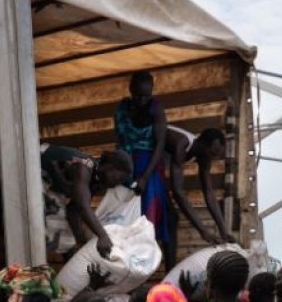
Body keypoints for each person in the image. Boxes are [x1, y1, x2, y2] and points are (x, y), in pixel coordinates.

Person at [114, 71, 174, 269]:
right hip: (126, 166)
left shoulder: (156, 108)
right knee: (126, 221)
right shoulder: (122, 108)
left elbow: (160, 144)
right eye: (138, 95)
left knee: (150, 220)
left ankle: (155, 268)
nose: (142, 100)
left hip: (149, 167)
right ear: (130, 90)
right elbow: (119, 140)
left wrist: (145, 177)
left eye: (146, 95)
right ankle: (127, 268)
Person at [41, 144, 133, 257]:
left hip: (50, 187)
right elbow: (83, 206)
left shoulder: (98, 181)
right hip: (33, 168)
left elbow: (73, 208)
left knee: (68, 239)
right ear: (109, 166)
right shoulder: (84, 167)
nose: (115, 184)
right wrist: (103, 236)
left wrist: (81, 241)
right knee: (45, 221)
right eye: (117, 178)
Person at [164, 127, 232, 244]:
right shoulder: (182, 143)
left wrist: (223, 231)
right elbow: (177, 192)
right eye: (212, 153)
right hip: (138, 154)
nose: (211, 158)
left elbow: (209, 193)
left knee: (171, 218)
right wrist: (202, 230)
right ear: (202, 144)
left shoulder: (203, 154)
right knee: (169, 217)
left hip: (154, 165)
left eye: (215, 156)